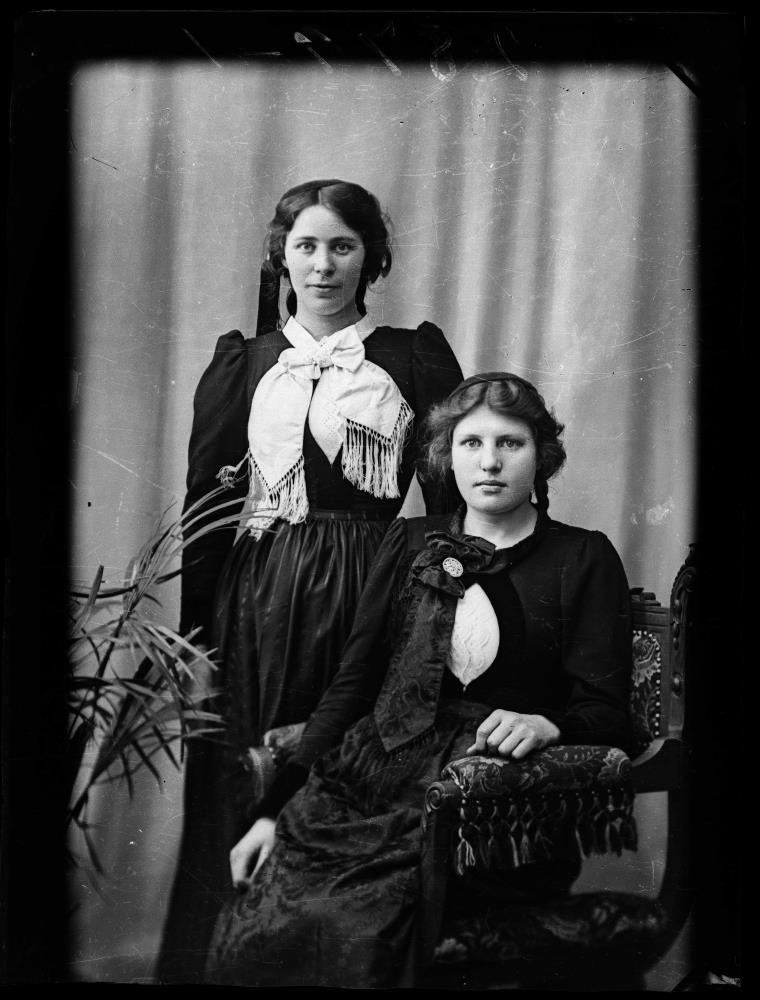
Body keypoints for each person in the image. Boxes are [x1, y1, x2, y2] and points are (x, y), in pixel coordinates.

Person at [204, 372, 635, 988]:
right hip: (367, 790)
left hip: (486, 811)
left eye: (510, 443)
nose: (489, 462)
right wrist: (272, 811)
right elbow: (352, 687)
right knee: (262, 926)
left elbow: (608, 711)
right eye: (471, 443)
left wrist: (548, 724)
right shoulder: (410, 542)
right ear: (446, 456)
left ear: (542, 456)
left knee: (354, 930)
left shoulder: (581, 556)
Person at [157, 180, 463, 982]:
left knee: (350, 778)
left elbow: (453, 509)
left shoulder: (412, 357)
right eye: (306, 247)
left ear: (371, 259)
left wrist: (442, 623)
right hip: (262, 598)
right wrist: (195, 643)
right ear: (281, 258)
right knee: (253, 776)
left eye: (342, 247)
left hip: (376, 594)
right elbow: (206, 507)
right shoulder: (248, 361)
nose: (323, 266)